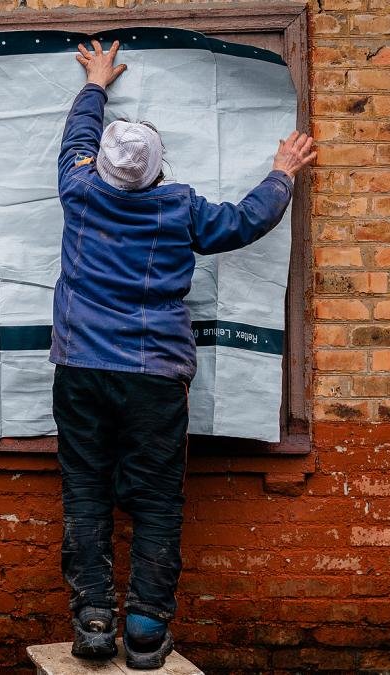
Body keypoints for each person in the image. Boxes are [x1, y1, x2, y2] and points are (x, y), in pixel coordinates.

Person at [50, 40, 317, 668]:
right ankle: (145, 629)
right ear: (158, 169)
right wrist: (283, 171)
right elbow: (243, 221)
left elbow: (74, 138)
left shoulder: (79, 189)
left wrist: (94, 84)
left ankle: (92, 623)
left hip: (81, 369)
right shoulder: (180, 208)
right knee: (157, 496)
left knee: (84, 489)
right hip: (155, 378)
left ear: (102, 166)